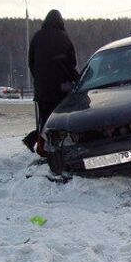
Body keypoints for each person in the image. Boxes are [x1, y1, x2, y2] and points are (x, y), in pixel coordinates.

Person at [22, 10, 79, 154]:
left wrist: (39, 80)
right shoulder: (64, 38)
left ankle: (39, 143)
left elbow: (31, 62)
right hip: (61, 88)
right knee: (62, 120)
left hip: (43, 89)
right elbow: (71, 63)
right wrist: (76, 79)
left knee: (46, 119)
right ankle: (53, 147)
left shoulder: (37, 37)